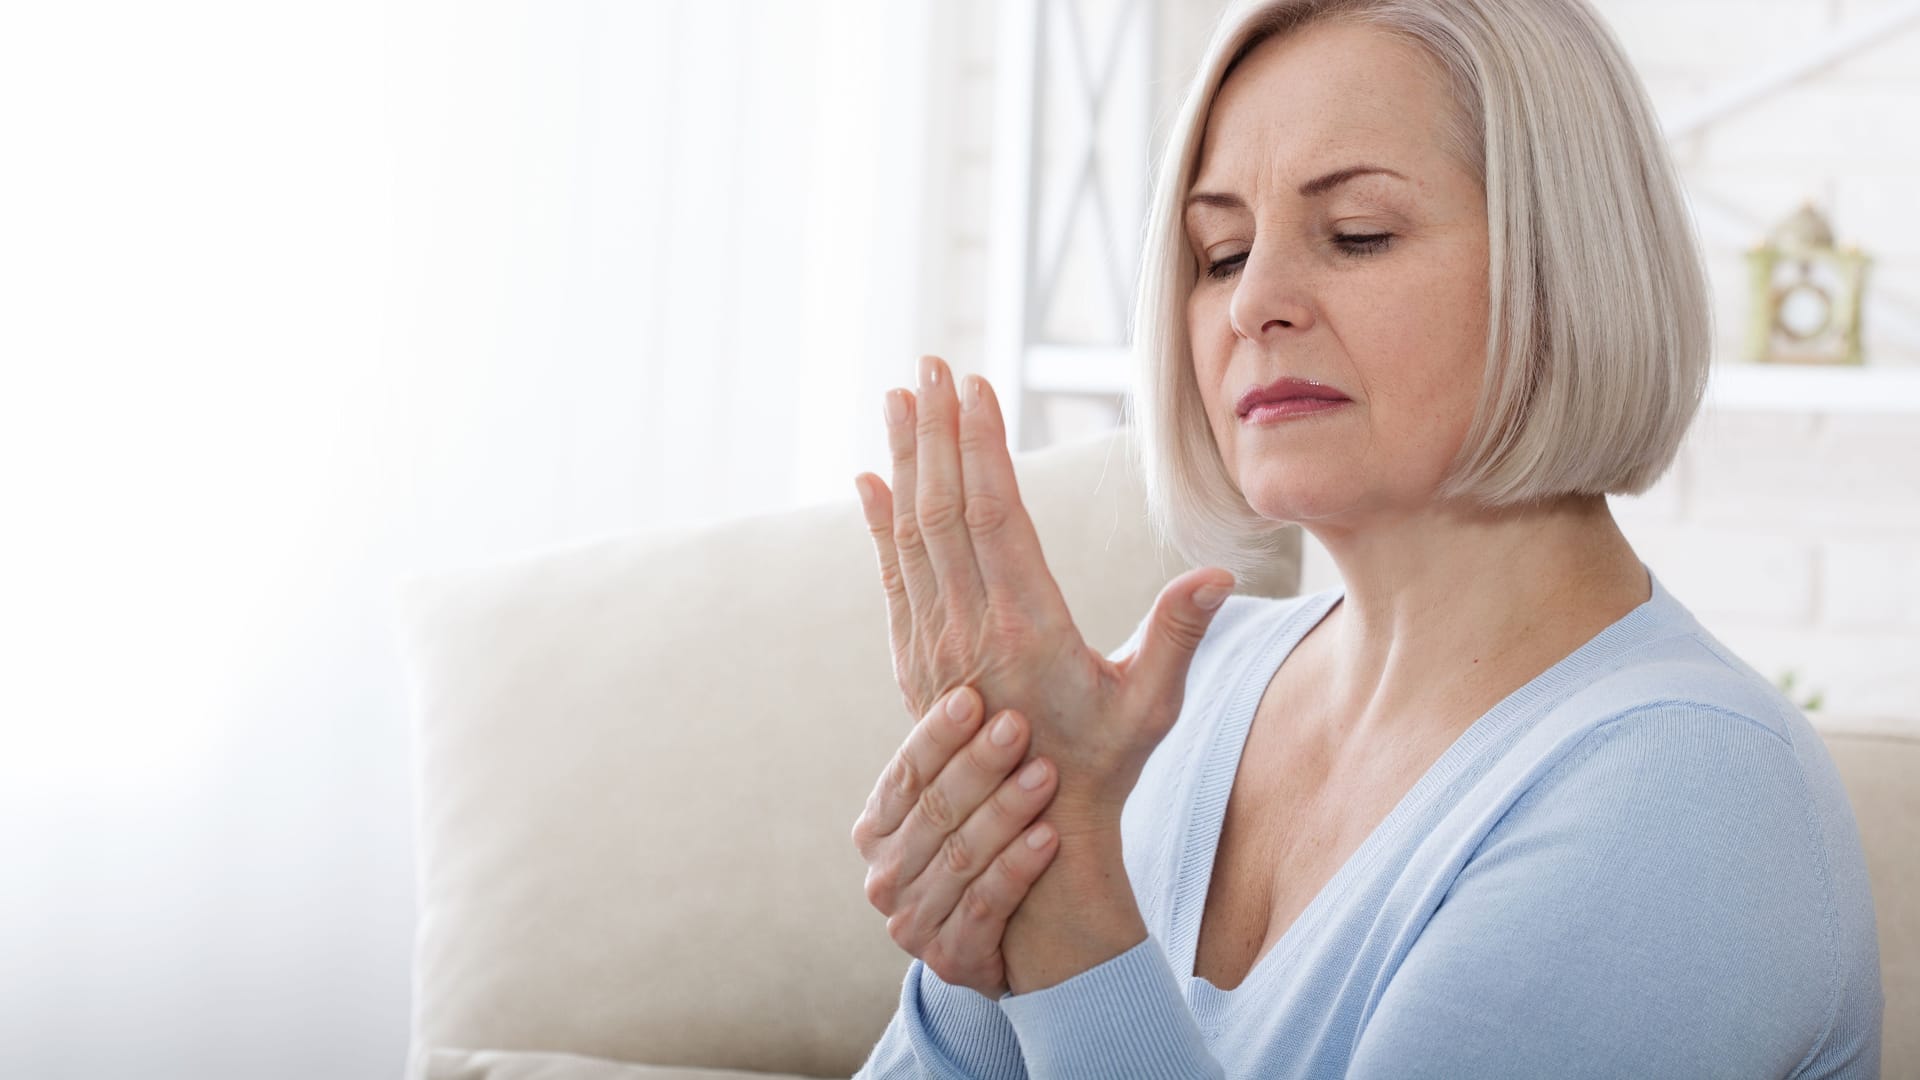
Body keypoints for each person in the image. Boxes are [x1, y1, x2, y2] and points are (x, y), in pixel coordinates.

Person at [845, 0, 1884, 1075]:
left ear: (1565, 262)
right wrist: (1003, 879)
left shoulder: (1692, 792)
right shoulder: (1181, 698)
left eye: (1358, 235)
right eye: (1220, 251)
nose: (1255, 302)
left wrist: (1062, 908)